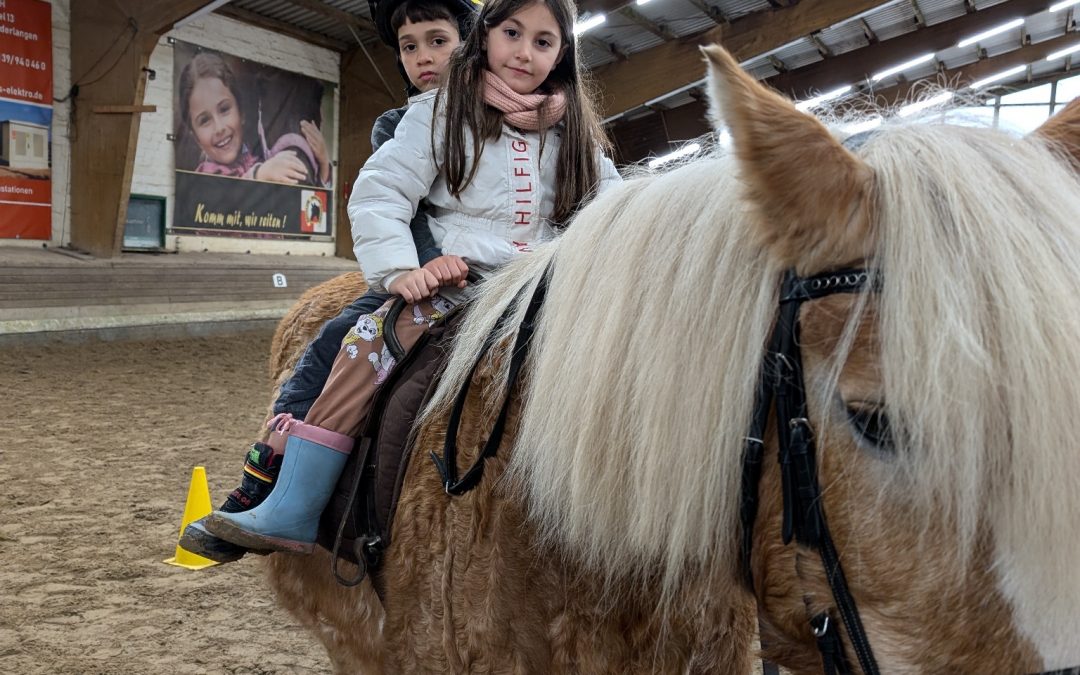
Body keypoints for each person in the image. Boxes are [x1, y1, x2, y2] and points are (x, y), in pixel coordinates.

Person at [201, 0, 621, 555]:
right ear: (486, 37)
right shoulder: (440, 114)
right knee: (365, 345)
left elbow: (616, 205)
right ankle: (294, 501)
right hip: (462, 280)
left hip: (544, 282)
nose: (523, 52)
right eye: (513, 33)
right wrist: (402, 270)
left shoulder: (575, 136)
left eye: (543, 42)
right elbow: (382, 191)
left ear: (561, 54)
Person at [178, 0, 480, 563]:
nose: (422, 58)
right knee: (335, 342)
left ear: (471, 44)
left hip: (493, 273)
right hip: (419, 273)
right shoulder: (399, 125)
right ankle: (266, 480)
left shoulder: (509, 125)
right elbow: (402, 211)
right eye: (409, 47)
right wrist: (417, 270)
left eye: (437, 41)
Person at [178, 52, 332, 187]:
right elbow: (224, 200)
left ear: (241, 113)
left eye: (224, 109)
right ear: (196, 137)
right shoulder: (205, 176)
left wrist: (323, 165)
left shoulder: (258, 157)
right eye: (204, 121)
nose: (219, 128)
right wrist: (259, 175)